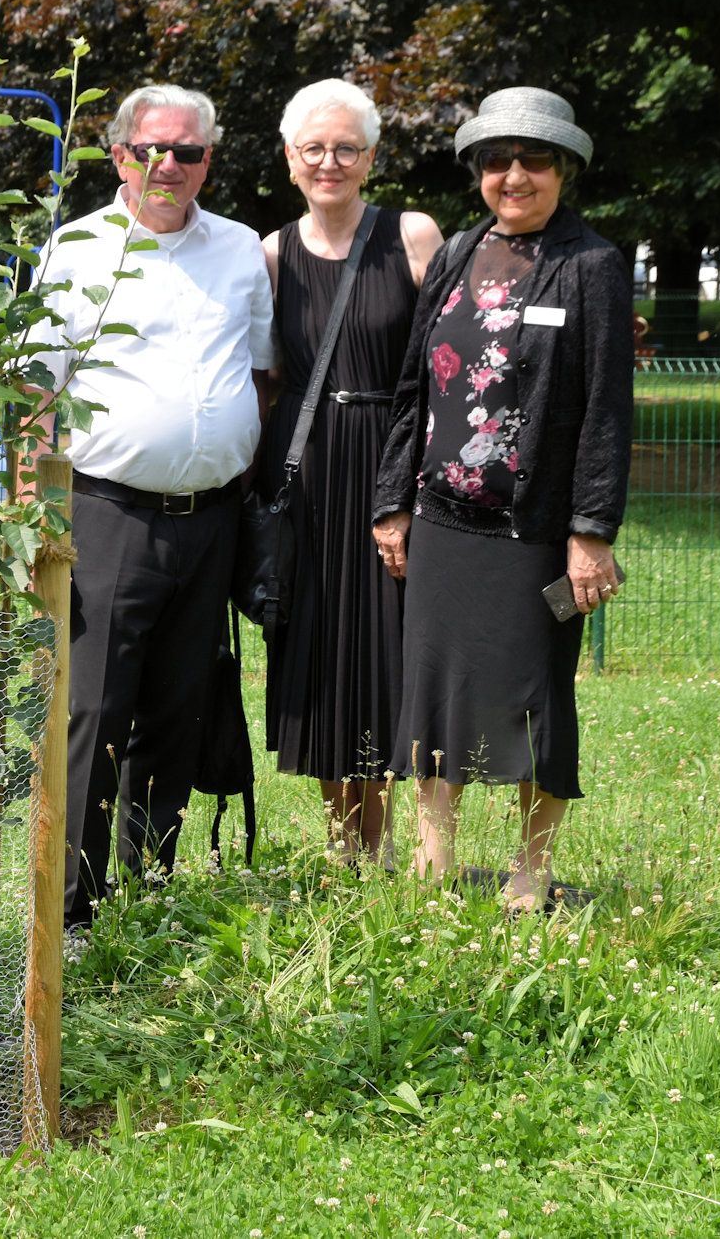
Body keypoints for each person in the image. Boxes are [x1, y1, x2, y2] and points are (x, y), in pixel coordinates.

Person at [370, 86, 634, 912]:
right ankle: (432, 859)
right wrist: (392, 500)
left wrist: (591, 530)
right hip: (443, 520)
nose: (514, 175)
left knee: (538, 699)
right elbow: (414, 383)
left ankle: (531, 870)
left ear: (565, 170)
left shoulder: (592, 265)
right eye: (497, 160)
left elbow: (604, 409)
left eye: (535, 160)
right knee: (433, 689)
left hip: (535, 529)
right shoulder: (454, 254)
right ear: (478, 170)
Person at [40, 84, 274, 928]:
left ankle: (148, 889)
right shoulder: (76, 250)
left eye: (188, 151)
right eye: (151, 149)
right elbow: (38, 392)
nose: (167, 165)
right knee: (95, 709)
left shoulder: (241, 249)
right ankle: (70, 907)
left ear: (210, 159)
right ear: (119, 154)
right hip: (109, 515)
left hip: (210, 518)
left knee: (179, 708)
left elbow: (257, 367)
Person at [258, 79, 442, 868]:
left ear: (370, 157)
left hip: (388, 464)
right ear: (290, 160)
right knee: (318, 655)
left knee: (388, 652)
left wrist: (412, 485)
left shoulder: (413, 236)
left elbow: (441, 368)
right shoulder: (271, 253)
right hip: (305, 473)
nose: (329, 161)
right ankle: (344, 841)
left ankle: (389, 837)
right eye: (313, 148)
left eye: (345, 147)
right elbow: (264, 380)